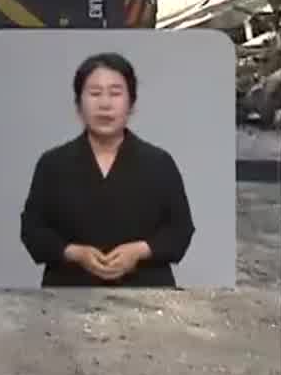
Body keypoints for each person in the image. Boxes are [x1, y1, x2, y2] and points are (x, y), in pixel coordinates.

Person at [18, 52, 195, 286]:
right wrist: (74, 253)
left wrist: (140, 251)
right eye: (94, 93)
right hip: (68, 292)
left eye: (115, 93)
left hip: (147, 293)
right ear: (78, 105)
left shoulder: (159, 162)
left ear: (131, 103)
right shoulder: (52, 164)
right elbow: (33, 229)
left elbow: (180, 229)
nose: (105, 104)